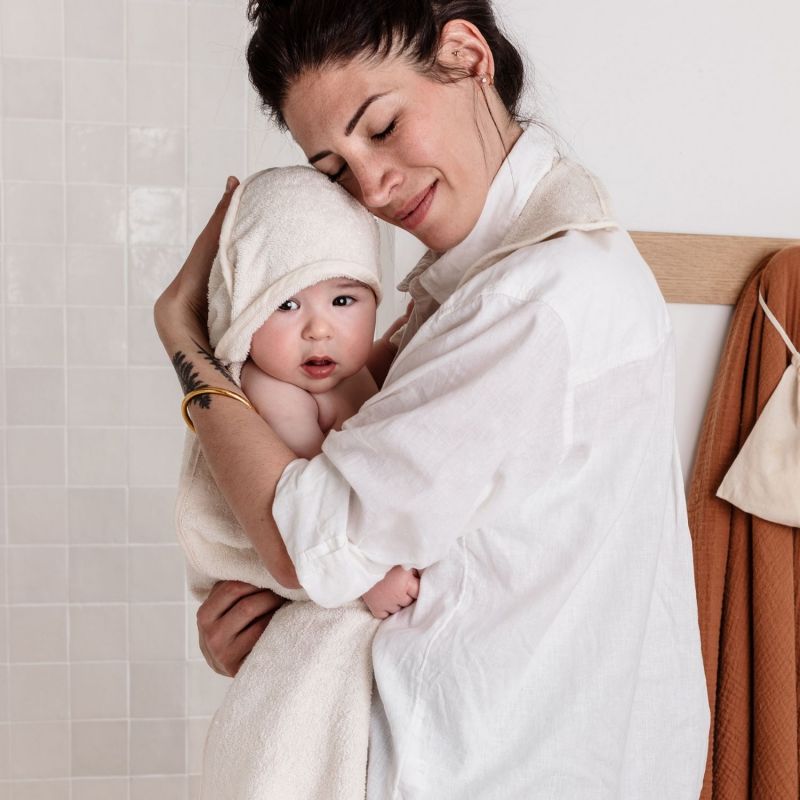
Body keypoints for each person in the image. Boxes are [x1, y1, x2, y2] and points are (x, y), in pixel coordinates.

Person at [154, 1, 711, 797]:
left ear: (466, 56)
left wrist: (186, 343)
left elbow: (312, 544)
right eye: (336, 169)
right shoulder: (469, 293)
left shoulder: (537, 301)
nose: (372, 187)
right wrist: (274, 628)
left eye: (380, 127)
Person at [174, 165, 419, 798]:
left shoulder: (353, 370)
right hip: (292, 579)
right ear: (245, 316)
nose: (319, 328)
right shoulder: (271, 389)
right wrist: (371, 577)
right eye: (285, 304)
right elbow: (319, 515)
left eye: (344, 300)